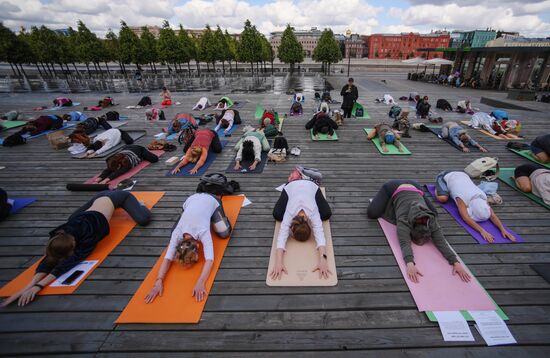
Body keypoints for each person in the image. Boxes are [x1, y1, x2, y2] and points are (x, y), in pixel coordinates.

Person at [1, 190, 152, 307]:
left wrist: (39, 285)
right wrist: (26, 287)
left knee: (143, 219)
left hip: (118, 197)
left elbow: (71, 261)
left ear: (73, 245)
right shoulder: (59, 235)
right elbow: (49, 259)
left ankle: (141, 205)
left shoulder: (88, 234)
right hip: (98, 198)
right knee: (71, 217)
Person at [367, 180, 471, 283]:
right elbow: (404, 243)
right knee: (372, 213)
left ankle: (416, 195)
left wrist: (456, 262)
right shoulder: (404, 220)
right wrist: (410, 263)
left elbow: (441, 242)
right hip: (392, 187)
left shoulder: (430, 220)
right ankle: (389, 196)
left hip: (415, 186)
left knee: (434, 213)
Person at [144, 192, 232, 303]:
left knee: (224, 233)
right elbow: (167, 259)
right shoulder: (176, 233)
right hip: (191, 199)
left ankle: (215, 216)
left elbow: (210, 260)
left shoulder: (203, 231)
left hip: (212, 199)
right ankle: (202, 214)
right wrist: (158, 281)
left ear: (198, 245)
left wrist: (201, 281)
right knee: (172, 232)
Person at [270, 172, 332, 280]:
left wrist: (323, 259)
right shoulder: (289, 212)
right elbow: (281, 237)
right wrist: (278, 262)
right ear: (292, 227)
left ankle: (303, 180)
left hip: (310, 187)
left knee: (326, 215)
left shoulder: (313, 212)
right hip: (291, 187)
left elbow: (320, 236)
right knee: (277, 215)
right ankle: (298, 180)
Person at [435, 171, 516, 243]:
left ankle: (448, 188)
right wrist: (482, 231)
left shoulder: (483, 197)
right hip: (445, 176)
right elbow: (466, 218)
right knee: (443, 199)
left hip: (462, 175)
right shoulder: (462, 200)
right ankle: (437, 189)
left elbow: (492, 215)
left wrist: (503, 230)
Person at [93, 145, 159, 184]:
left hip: (139, 149)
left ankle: (143, 156)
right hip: (127, 148)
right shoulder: (111, 159)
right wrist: (98, 179)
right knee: (112, 169)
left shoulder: (128, 164)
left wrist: (105, 180)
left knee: (154, 159)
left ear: (119, 165)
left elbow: (118, 173)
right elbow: (108, 170)